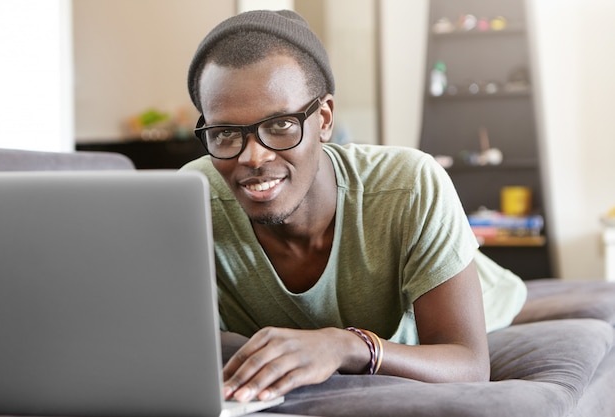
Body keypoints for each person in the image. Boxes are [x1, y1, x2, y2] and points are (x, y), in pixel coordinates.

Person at [182, 9, 526, 403]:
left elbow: (468, 362)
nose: (254, 158)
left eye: (280, 126)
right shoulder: (193, 200)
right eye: (225, 133)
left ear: (324, 118)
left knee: (523, 299)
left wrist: (344, 346)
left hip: (479, 290)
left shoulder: (410, 184)